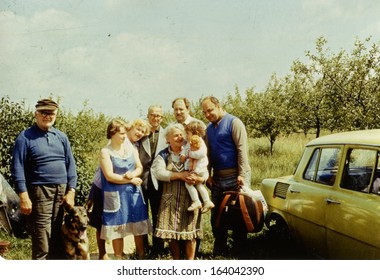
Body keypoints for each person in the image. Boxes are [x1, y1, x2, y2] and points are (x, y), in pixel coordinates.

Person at [11, 98, 77, 260]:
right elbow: (17, 168)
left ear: (56, 115)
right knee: (42, 238)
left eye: (51, 113)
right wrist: (23, 196)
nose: (48, 116)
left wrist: (71, 191)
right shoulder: (25, 137)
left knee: (58, 237)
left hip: (61, 192)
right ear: (36, 114)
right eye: (44, 113)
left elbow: (71, 165)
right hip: (39, 192)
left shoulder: (61, 136)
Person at [87, 118, 150, 260]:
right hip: (115, 193)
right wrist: (131, 180)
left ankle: (141, 256)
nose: (124, 136)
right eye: (121, 133)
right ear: (112, 133)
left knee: (138, 224)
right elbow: (109, 176)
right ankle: (118, 258)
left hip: (133, 193)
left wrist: (133, 173)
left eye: (124, 133)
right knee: (118, 227)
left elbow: (139, 167)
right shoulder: (105, 152)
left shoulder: (131, 149)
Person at [201, 96, 252, 257]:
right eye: (204, 112)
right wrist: (206, 174)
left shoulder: (234, 122)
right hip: (218, 179)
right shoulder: (209, 128)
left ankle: (240, 249)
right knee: (217, 215)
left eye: (210, 110)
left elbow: (242, 150)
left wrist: (242, 174)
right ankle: (220, 247)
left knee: (238, 214)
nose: (208, 114)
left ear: (218, 106)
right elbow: (207, 153)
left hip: (236, 176)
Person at [151, 123, 205, 260]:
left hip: (190, 198)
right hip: (171, 199)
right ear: (168, 139)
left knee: (190, 232)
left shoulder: (191, 150)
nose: (179, 137)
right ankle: (177, 262)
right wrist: (180, 175)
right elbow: (158, 173)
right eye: (175, 135)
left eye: (181, 134)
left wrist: (199, 178)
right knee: (172, 232)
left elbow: (204, 169)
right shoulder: (163, 155)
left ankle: (190, 263)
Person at [137, 105, 167, 255]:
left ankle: (158, 248)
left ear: (162, 118)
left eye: (159, 116)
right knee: (141, 213)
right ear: (148, 116)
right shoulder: (141, 132)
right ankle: (142, 248)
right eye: (153, 115)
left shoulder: (166, 134)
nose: (156, 118)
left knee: (158, 213)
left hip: (159, 180)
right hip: (141, 178)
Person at [181, 121, 214, 213]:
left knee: (188, 183)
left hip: (199, 168)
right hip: (196, 169)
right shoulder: (189, 142)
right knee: (198, 185)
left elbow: (201, 153)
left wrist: (189, 154)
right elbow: (186, 150)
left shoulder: (199, 141)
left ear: (195, 133)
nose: (186, 136)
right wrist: (183, 155)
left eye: (187, 133)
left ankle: (196, 201)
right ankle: (207, 201)